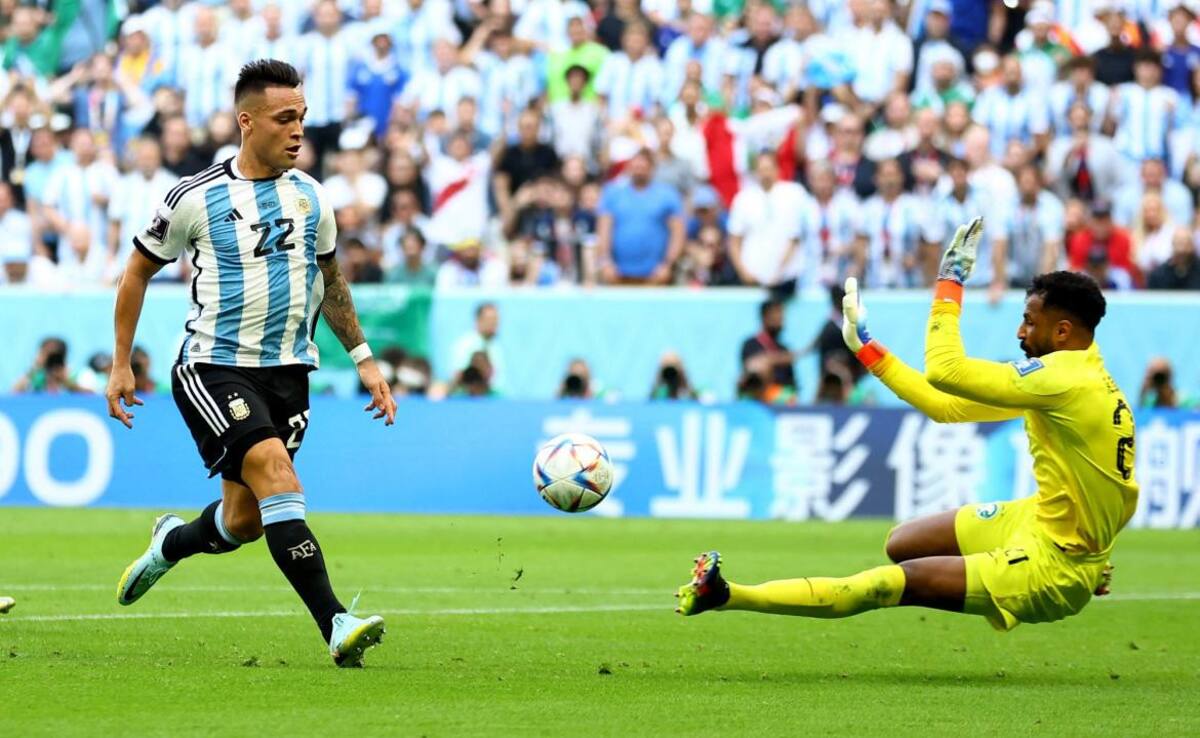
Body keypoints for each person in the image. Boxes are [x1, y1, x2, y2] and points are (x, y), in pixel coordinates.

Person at [677, 217, 1137, 635]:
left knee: (883, 585)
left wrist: (950, 281)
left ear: (1061, 332)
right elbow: (947, 406)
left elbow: (946, 370)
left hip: (1051, 566)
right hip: (1039, 522)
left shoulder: (1062, 381)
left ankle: (727, 594)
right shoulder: (1071, 382)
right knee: (903, 543)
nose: (1020, 333)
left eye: (1028, 321)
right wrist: (867, 349)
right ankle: (992, 571)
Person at [106, 60, 396, 669]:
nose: (298, 131)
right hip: (214, 366)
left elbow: (330, 279)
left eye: (303, 118)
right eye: (284, 118)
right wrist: (121, 364)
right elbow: (136, 271)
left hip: (289, 371)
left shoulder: (312, 196)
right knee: (276, 475)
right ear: (247, 121)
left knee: (245, 521)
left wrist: (365, 359)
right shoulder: (195, 197)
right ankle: (336, 623)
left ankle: (172, 542)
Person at [740, 299, 796, 392]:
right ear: (764, 317)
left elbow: (792, 385)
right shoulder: (750, 345)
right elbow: (750, 370)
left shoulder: (784, 348)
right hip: (758, 399)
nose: (780, 321)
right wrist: (777, 359)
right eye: (776, 315)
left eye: (781, 317)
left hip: (783, 401)